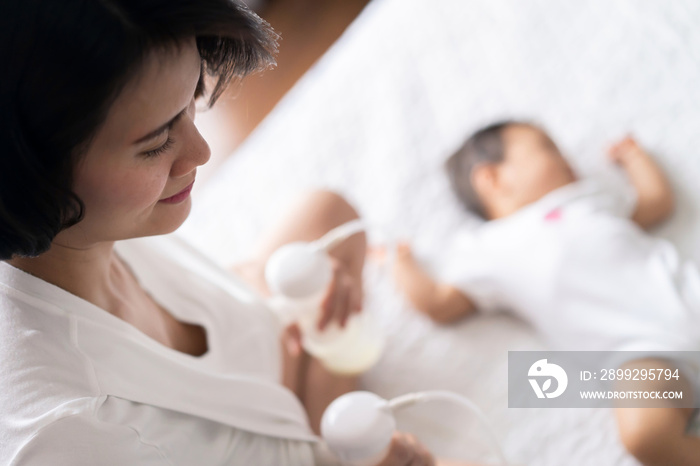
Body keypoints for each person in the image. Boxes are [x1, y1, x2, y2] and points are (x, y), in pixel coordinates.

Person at [0, 1, 465, 464]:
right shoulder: (67, 433)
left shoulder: (87, 231)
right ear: (31, 175)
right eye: (157, 143)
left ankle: (328, 415)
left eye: (192, 100)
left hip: (262, 380)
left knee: (327, 216)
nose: (201, 151)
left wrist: (282, 297)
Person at [391, 120, 700, 465]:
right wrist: (401, 262)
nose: (565, 157)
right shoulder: (489, 249)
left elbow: (656, 202)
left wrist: (634, 157)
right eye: (547, 148)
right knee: (646, 433)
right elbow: (438, 302)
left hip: (688, 294)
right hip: (642, 356)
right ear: (491, 178)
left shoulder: (586, 198)